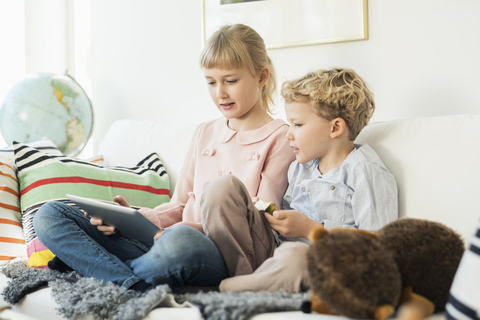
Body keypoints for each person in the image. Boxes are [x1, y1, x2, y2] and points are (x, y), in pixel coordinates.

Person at [33, 23, 295, 291]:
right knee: (50, 214)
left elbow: (261, 221)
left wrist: (181, 232)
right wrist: (135, 217)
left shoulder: (281, 138)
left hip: (218, 254)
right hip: (167, 241)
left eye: (231, 81)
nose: (220, 93)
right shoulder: (204, 132)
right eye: (211, 82)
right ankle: (131, 281)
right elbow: (180, 204)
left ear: (262, 76)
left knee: (180, 243)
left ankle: (96, 268)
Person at [209, 67, 398, 292]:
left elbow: (377, 245)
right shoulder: (300, 167)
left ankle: (238, 286)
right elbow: (282, 227)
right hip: (277, 253)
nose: (289, 133)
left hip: (322, 264)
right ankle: (249, 279)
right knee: (221, 188)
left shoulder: (365, 170)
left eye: (297, 125)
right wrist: (269, 216)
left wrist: (310, 229)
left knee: (297, 258)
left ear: (335, 127)